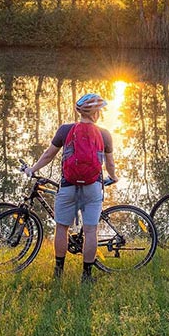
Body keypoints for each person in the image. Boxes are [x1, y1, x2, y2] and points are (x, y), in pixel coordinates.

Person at [24, 93, 118, 283]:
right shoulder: (105, 134)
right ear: (96, 113)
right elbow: (110, 164)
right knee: (91, 231)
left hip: (68, 185)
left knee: (62, 228)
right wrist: (113, 177)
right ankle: (86, 276)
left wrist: (32, 169)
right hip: (93, 187)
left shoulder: (65, 130)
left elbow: (48, 155)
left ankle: (58, 272)